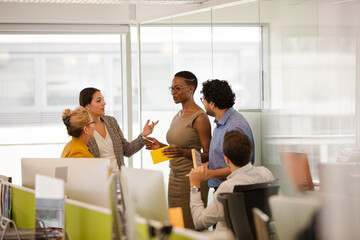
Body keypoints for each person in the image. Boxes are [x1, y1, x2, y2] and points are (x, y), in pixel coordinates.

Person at [146, 71, 212, 229]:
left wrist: (183, 153)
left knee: (189, 228)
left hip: (191, 181)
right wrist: (160, 146)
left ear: (190, 88)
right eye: (172, 89)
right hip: (174, 178)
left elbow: (209, 155)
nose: (173, 93)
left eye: (177, 88)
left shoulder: (200, 118)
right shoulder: (179, 114)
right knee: (176, 227)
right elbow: (177, 149)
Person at [189, 130, 274, 231]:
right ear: (250, 153)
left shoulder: (227, 188)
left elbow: (199, 222)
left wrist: (194, 185)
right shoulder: (266, 173)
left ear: (226, 159)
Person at [79, 87, 158, 172]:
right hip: (98, 181)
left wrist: (144, 134)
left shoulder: (111, 121)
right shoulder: (82, 130)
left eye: (103, 99)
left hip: (119, 179)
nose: (104, 103)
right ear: (87, 106)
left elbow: (127, 150)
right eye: (98, 101)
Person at [200, 79, 255, 191]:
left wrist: (209, 174)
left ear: (212, 104)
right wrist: (209, 165)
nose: (203, 103)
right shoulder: (221, 123)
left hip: (232, 191)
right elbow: (226, 158)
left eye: (203, 99)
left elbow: (240, 167)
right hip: (223, 188)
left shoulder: (234, 126)